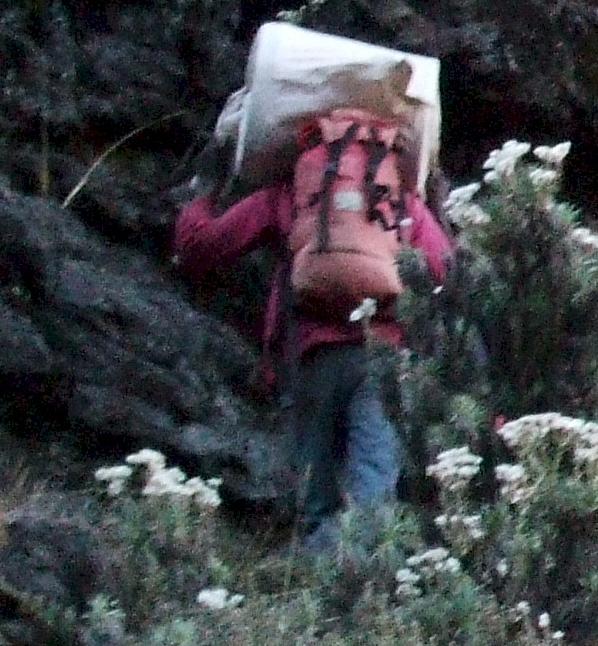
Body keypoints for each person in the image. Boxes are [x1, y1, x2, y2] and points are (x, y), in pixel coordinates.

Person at [171, 144, 455, 542]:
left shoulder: (291, 195)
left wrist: (204, 192)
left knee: (313, 505)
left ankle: (317, 578)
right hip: (383, 357)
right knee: (372, 500)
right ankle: (353, 586)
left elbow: (199, 248)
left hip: (309, 357)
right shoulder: (400, 201)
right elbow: (450, 275)